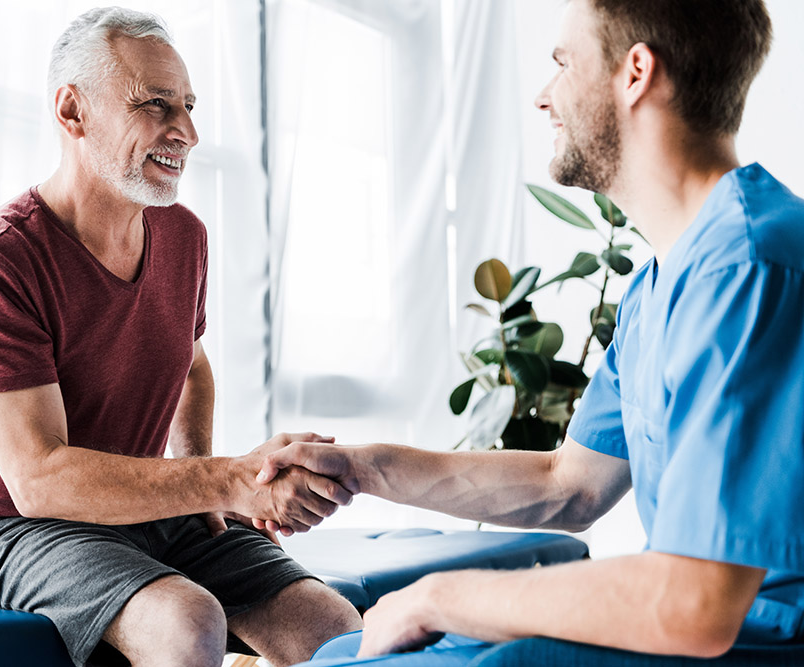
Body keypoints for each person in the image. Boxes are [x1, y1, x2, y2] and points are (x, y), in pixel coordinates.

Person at [257, 0, 804, 665]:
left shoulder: (747, 265)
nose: (545, 98)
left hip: (757, 643)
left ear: (636, 73)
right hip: (702, 631)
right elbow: (567, 483)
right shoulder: (668, 277)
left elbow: (697, 601)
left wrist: (437, 595)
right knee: (343, 650)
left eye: (563, 64)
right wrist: (358, 468)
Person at [0, 8, 361, 667]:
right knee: (187, 621)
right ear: (73, 112)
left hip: (134, 515)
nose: (186, 132)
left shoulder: (184, 235)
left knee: (333, 626)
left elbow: (191, 366)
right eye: (155, 105)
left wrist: (206, 489)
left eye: (188, 106)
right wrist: (221, 479)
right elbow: (39, 479)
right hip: (8, 527)